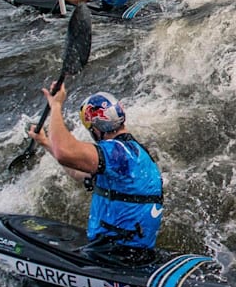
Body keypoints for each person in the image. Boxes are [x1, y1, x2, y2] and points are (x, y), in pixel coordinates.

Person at [27, 84, 164, 263]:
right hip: (126, 251)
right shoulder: (132, 154)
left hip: (115, 255)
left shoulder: (118, 153)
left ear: (96, 128)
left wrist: (56, 106)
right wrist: (46, 143)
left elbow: (64, 152)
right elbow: (77, 171)